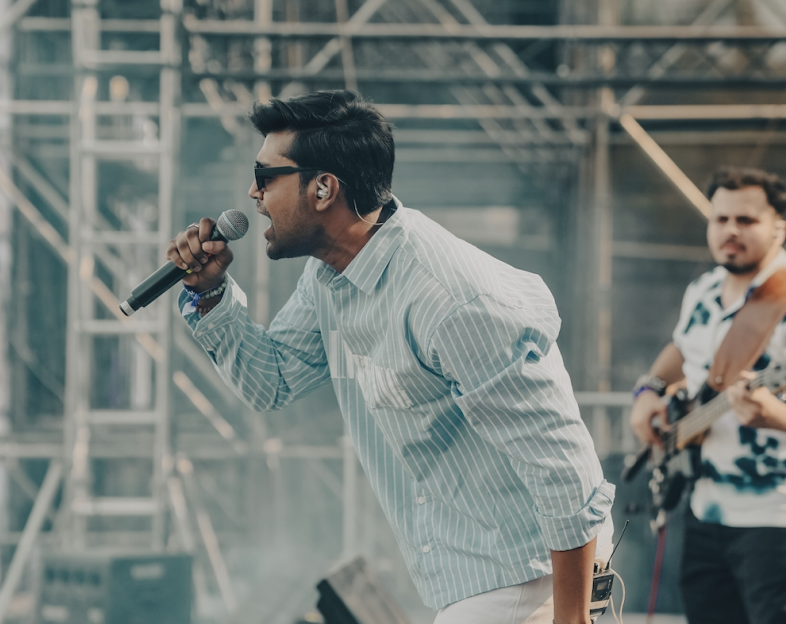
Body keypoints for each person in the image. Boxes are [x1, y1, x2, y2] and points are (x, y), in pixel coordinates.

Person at [168, 90, 614, 624]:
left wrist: (572, 616)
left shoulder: (448, 300)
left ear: (323, 188)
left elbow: (563, 468)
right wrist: (209, 293)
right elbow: (273, 380)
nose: (252, 193)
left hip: (530, 576)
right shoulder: (329, 277)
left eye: (264, 175)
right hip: (479, 575)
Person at [630, 166, 786, 624]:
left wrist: (776, 417)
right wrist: (649, 389)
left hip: (774, 520)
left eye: (746, 220)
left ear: (779, 226)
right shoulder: (703, 290)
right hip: (703, 509)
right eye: (721, 219)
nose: (730, 231)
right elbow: (682, 348)